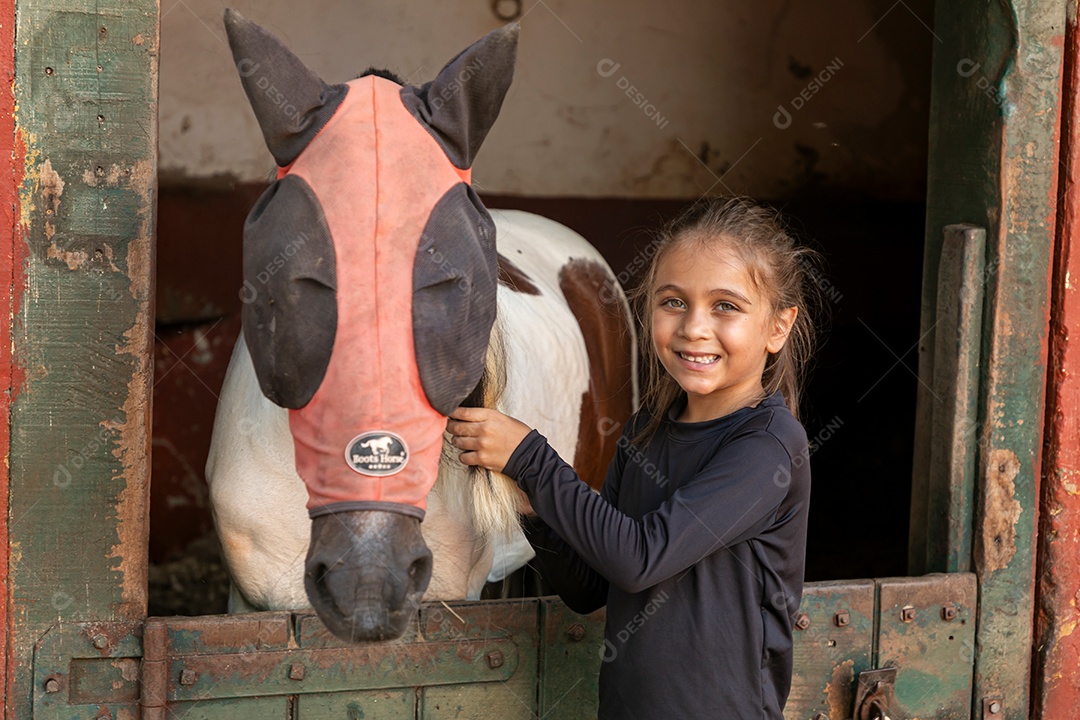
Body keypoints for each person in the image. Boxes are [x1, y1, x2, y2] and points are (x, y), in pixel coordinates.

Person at [446, 196, 820, 719]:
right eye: (673, 302)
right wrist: (532, 506)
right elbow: (591, 586)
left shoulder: (768, 448)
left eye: (726, 307)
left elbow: (640, 558)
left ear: (778, 328)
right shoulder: (647, 430)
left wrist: (531, 459)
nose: (693, 327)